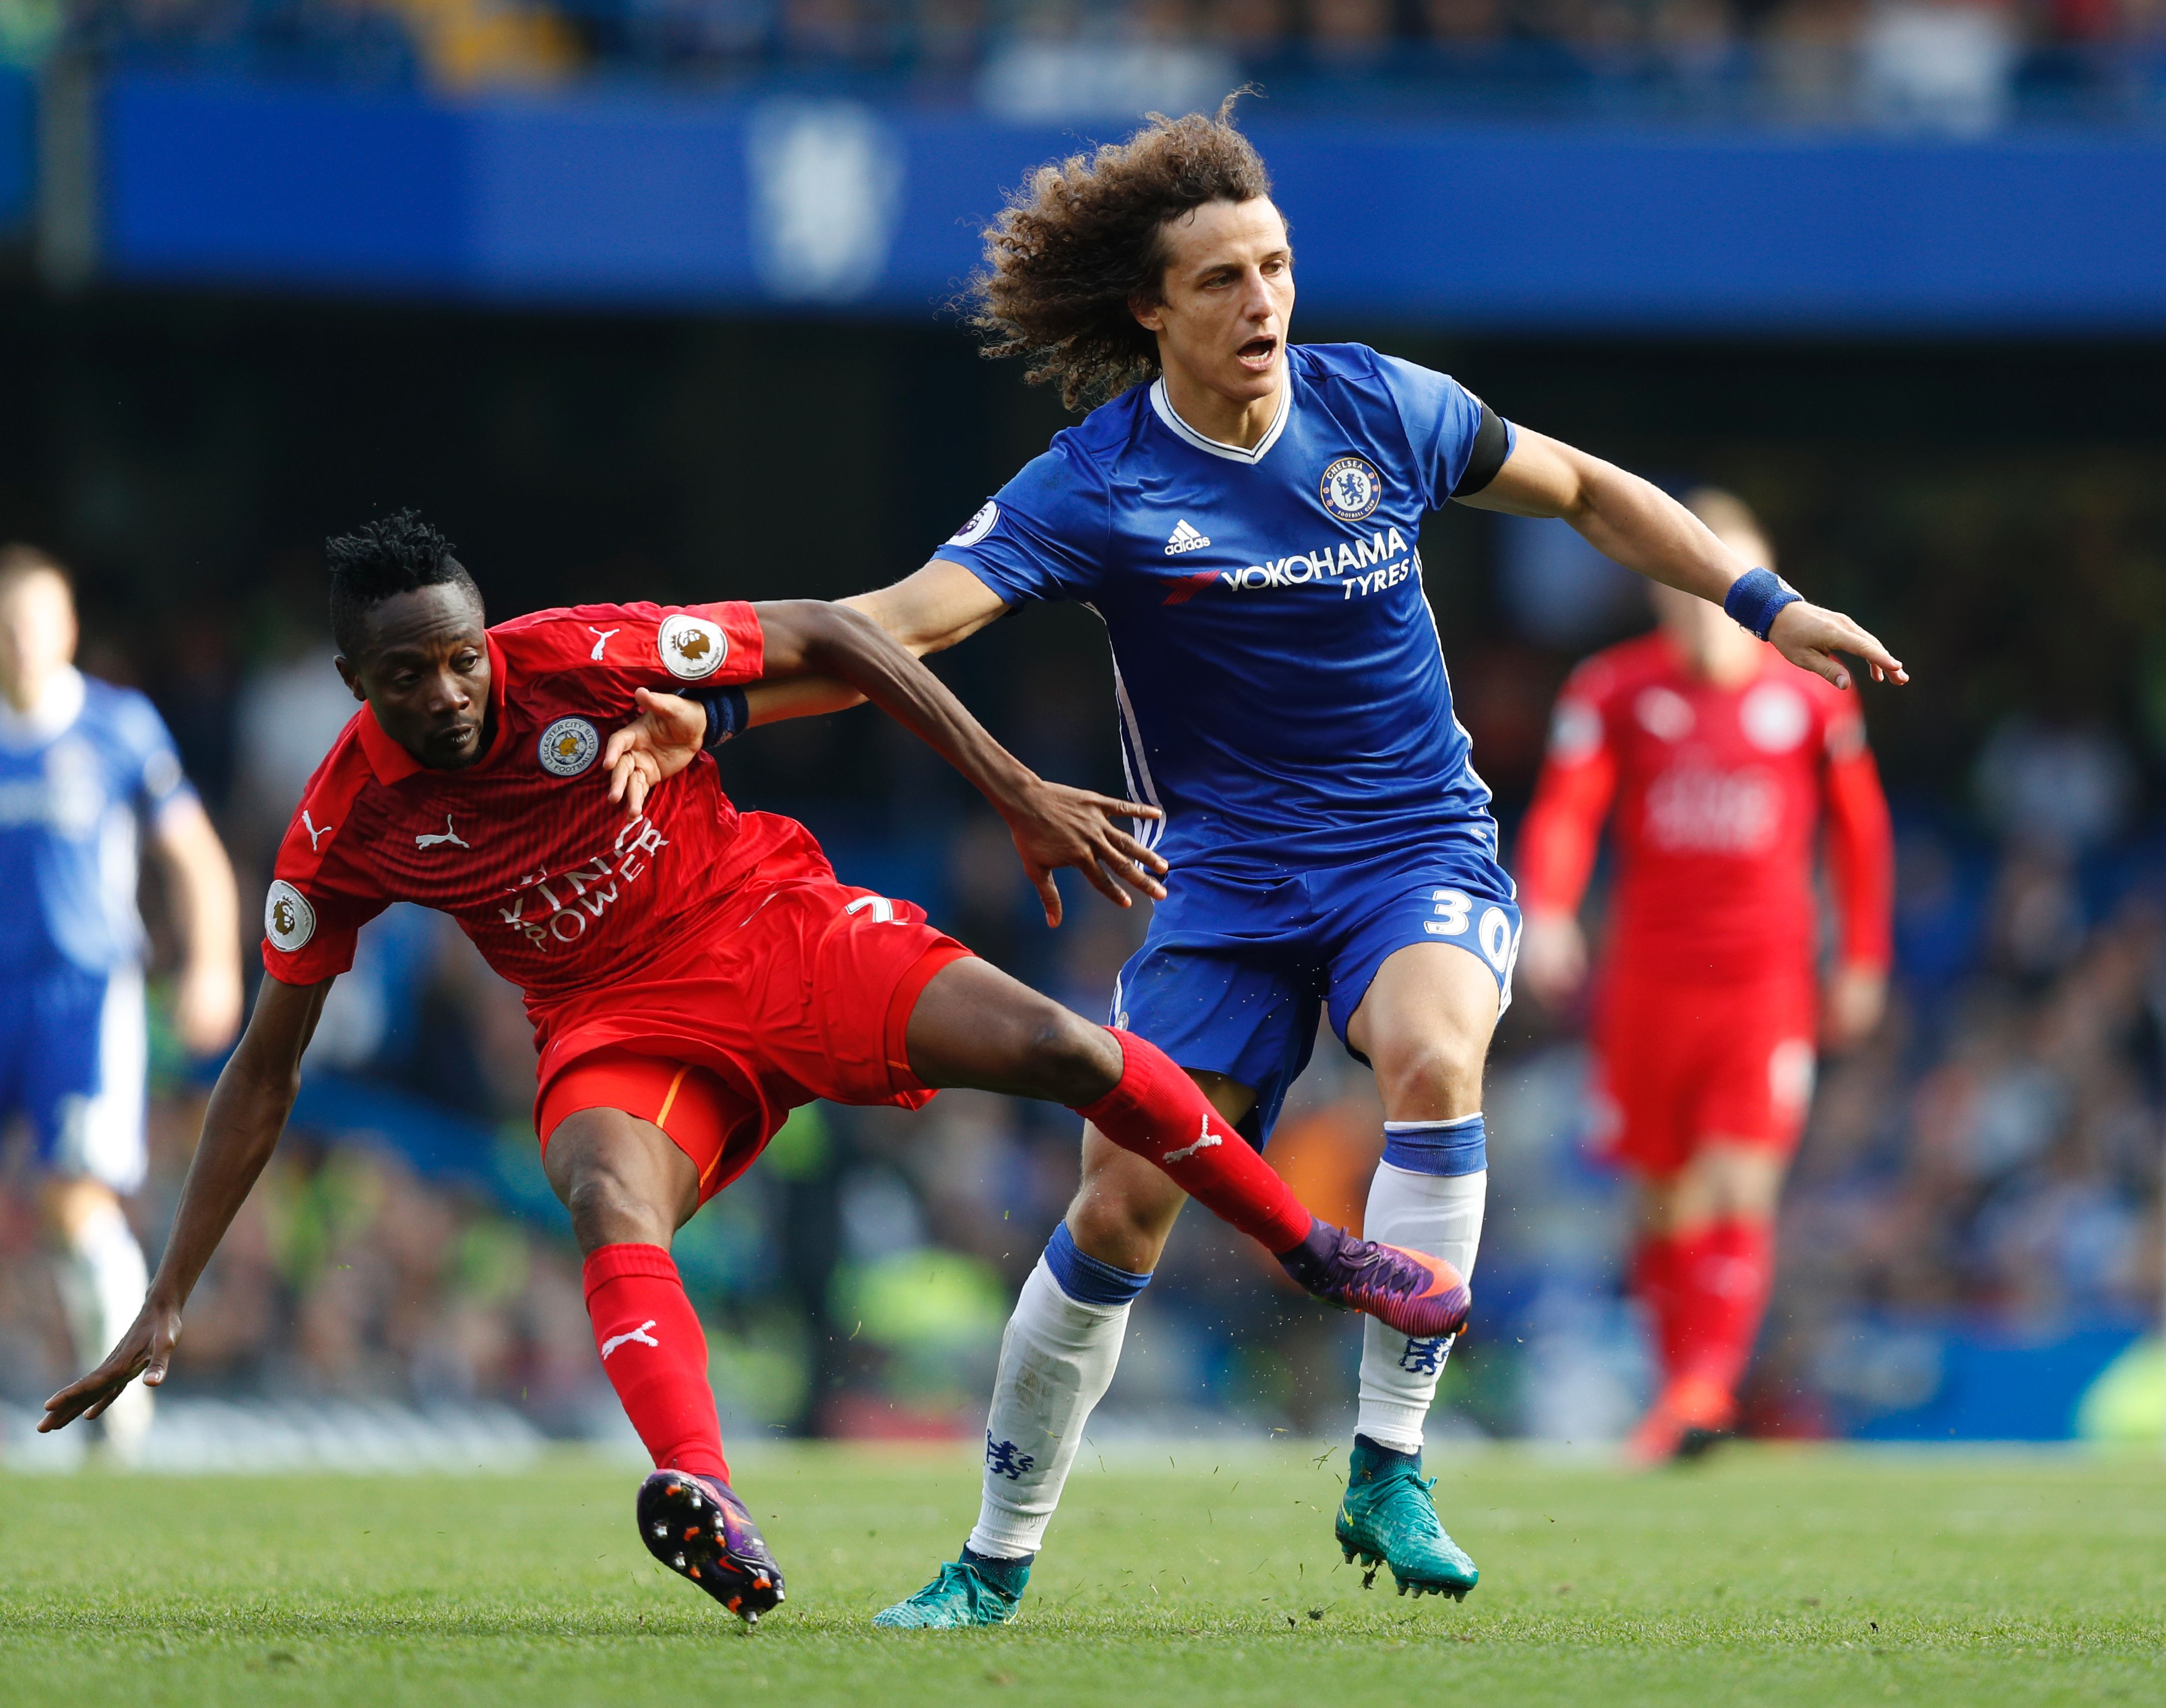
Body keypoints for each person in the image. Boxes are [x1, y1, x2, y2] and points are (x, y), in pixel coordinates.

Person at [611, 96, 1902, 1621]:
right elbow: (906, 623)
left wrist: (1768, 607)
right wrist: (727, 704)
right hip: (1218, 884)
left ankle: (1390, 1465)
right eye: (1223, 280)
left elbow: (1590, 490)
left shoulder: (1384, 409)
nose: (1264, 303)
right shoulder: (1095, 484)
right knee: (1117, 1212)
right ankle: (993, 1559)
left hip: (1409, 844)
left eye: (1277, 267)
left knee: (1432, 1055)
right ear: (1152, 308)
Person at [38, 512, 1469, 1626]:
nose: (451, 691)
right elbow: (266, 1070)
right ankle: (703, 1494)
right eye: (406, 675)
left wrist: (1019, 795)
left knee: (1063, 1048)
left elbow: (841, 639)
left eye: (463, 654)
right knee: (606, 1188)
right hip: (622, 1025)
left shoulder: (586, 654)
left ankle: (1321, 1254)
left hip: (770, 930)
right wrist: (169, 1296)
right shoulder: (342, 823)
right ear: (355, 685)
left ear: (491, 637)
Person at [1512, 491, 1894, 1463]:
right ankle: (1685, 1386)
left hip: (1762, 987)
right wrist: (1548, 912)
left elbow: (1861, 835)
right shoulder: (1613, 691)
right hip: (1647, 986)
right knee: (1662, 1197)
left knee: (1740, 1182)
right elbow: (1567, 811)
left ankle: (1700, 1388)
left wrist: (1861, 957)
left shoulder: (1809, 700)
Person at [0, 546, 243, 1461]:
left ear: (66, 631)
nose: (21, 643)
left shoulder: (116, 729)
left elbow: (193, 857)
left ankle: (116, 1395)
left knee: (75, 1201)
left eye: (36, 624)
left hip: (81, 995)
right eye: (7, 626)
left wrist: (214, 963)